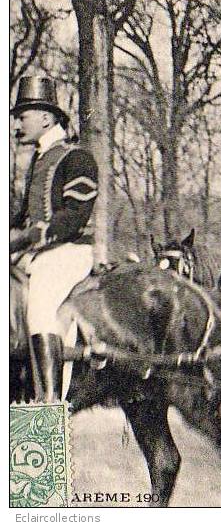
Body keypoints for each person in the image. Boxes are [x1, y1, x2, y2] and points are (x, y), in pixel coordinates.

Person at [10, 75, 98, 403]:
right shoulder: (39, 159)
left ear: (45, 117)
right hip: (41, 253)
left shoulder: (76, 157)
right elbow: (23, 216)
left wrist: (27, 237)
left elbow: (75, 215)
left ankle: (49, 401)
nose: (17, 123)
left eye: (22, 116)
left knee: (40, 308)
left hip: (68, 252)